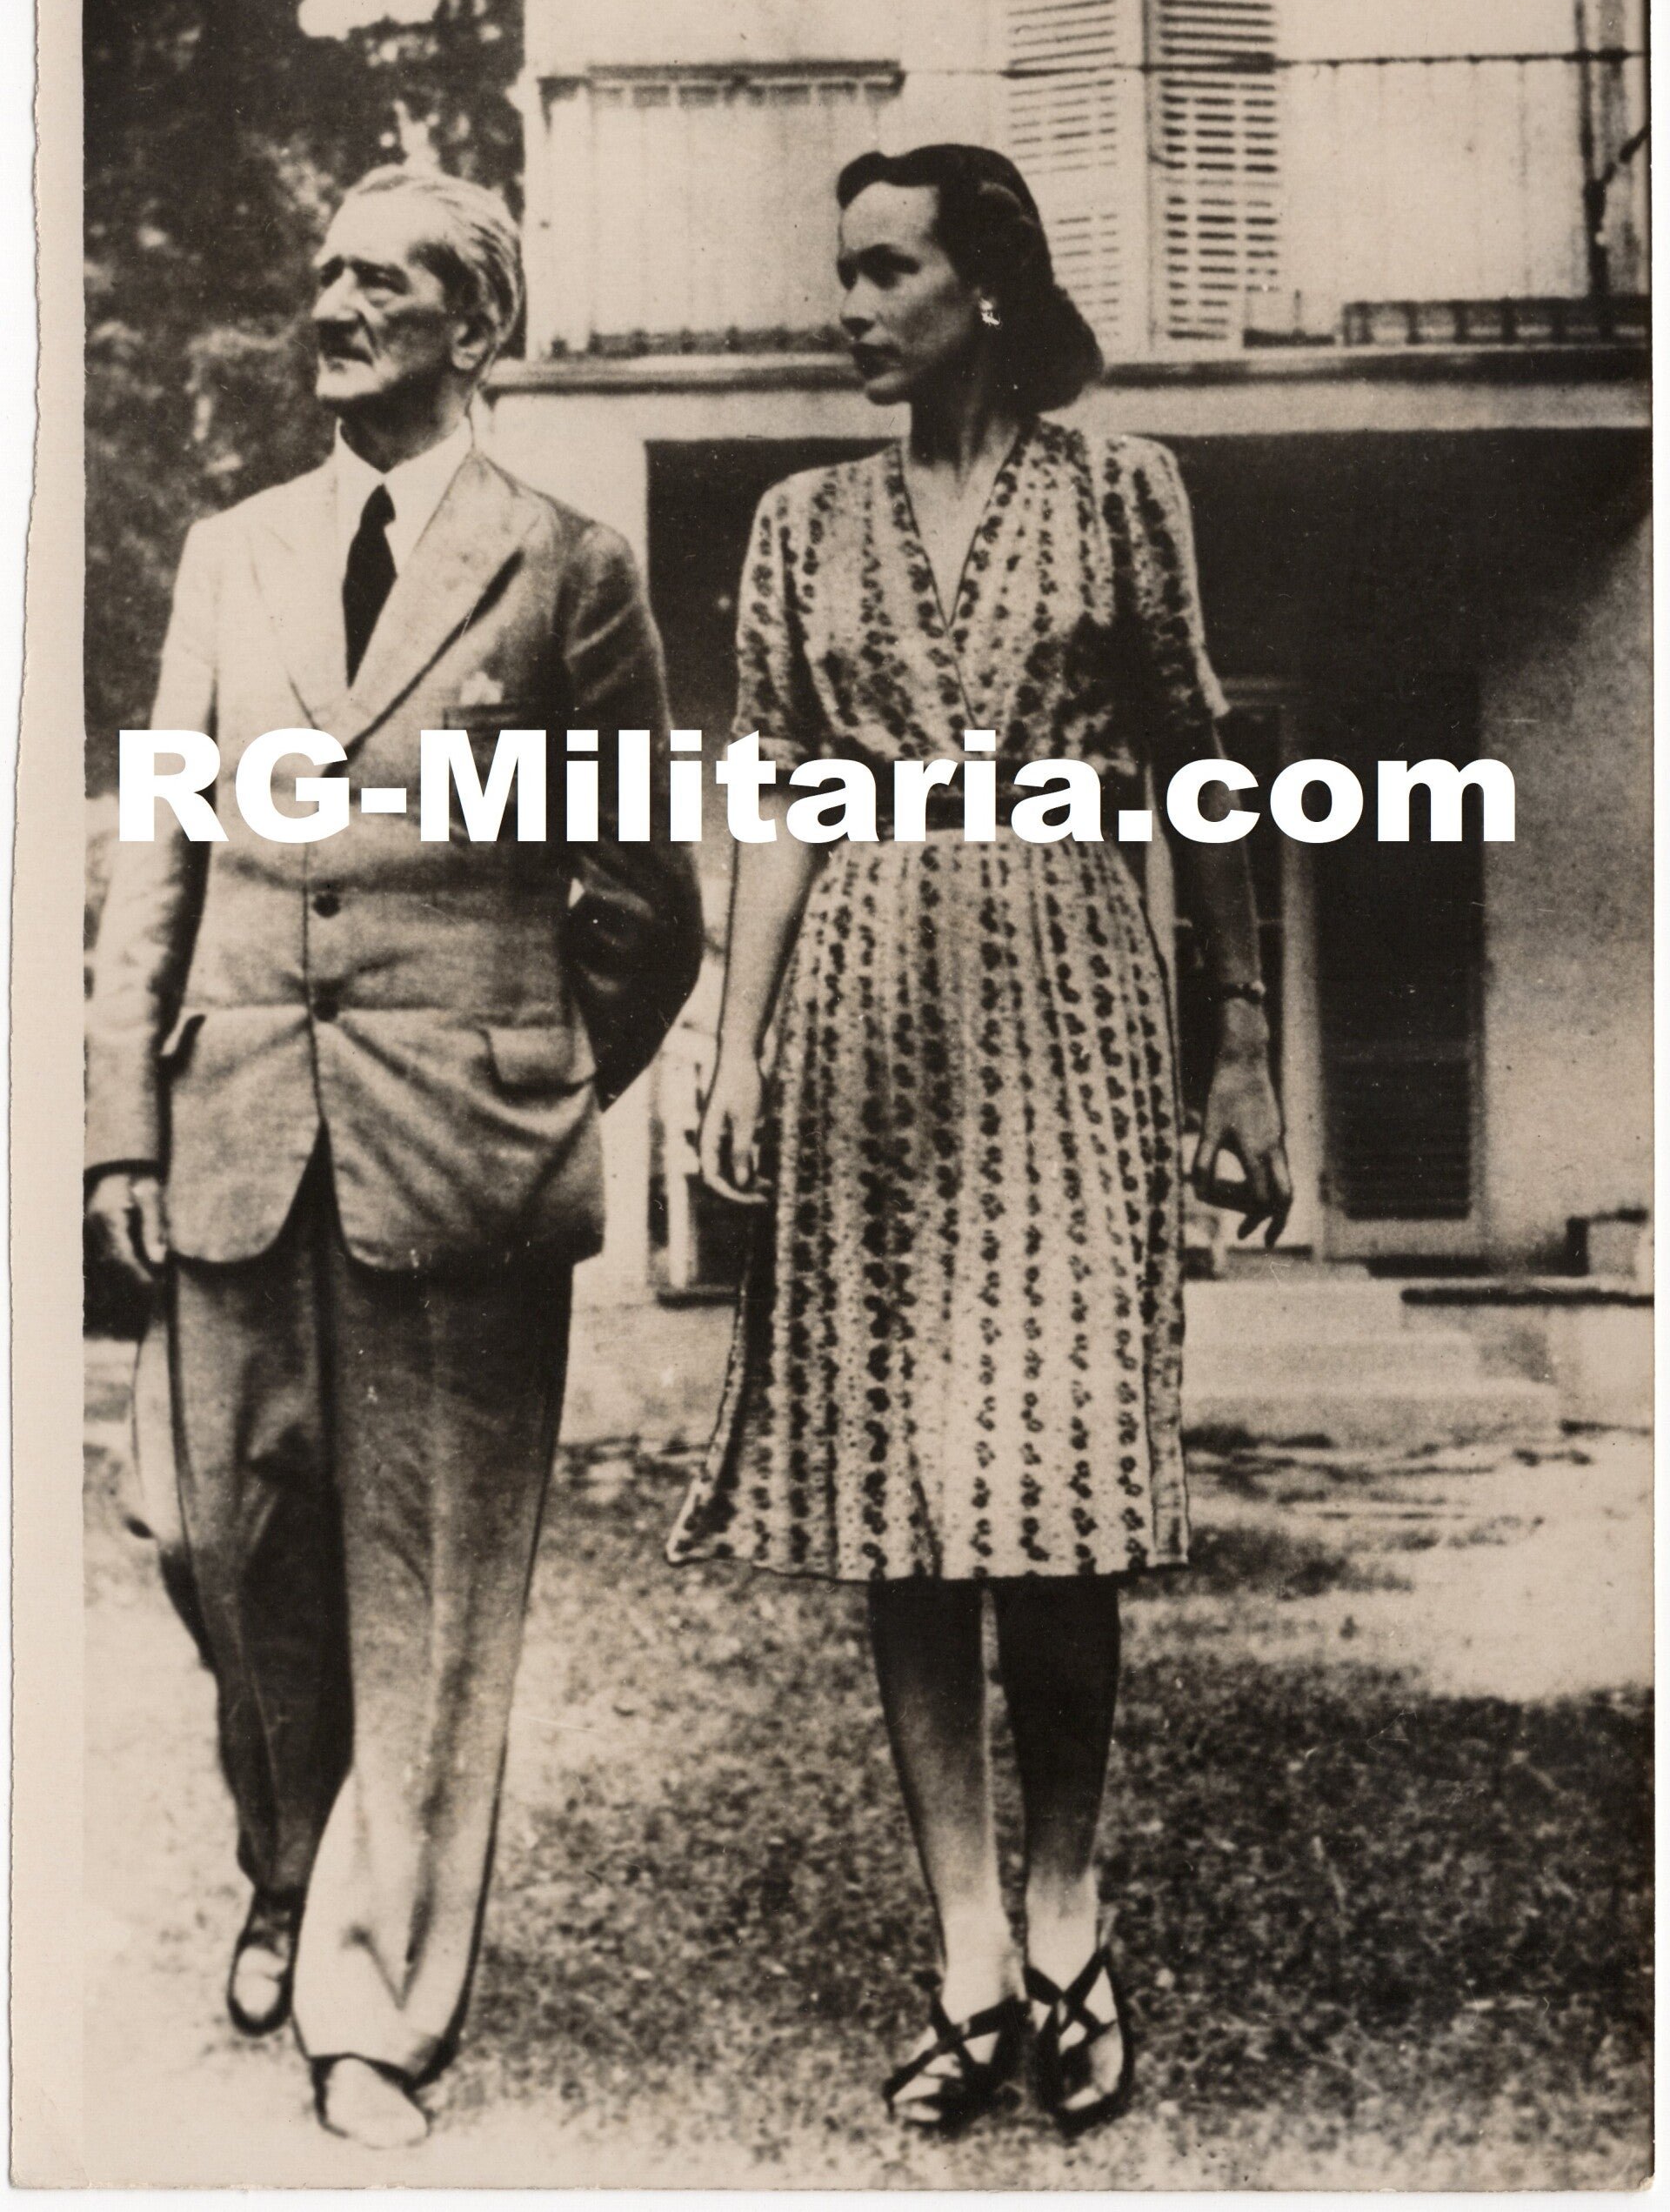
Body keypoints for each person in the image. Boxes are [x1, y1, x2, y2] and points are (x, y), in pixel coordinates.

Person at [671, 144, 1290, 2138]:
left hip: (1073, 997)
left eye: (884, 271)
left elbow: (1201, 775)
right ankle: (963, 1955)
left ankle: (1070, 1910)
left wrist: (1243, 1055)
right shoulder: (799, 523)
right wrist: (736, 1040)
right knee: (897, 1485)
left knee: (1058, 1473)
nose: (851, 307)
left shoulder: (1121, 490)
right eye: (839, 274)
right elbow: (775, 794)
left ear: (985, 285)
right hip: (863, 1007)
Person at [84, 164, 704, 2147]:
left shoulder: (566, 567)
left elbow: (641, 897)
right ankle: (292, 1854)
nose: (331, 304)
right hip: (236, 1123)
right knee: (210, 1536)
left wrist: (525, 1074)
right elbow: (154, 859)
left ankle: (376, 2009)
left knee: (433, 1599)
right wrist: (119, 1123)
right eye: (324, 275)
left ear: (473, 324)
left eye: (379, 280)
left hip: (466, 1159)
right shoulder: (230, 550)